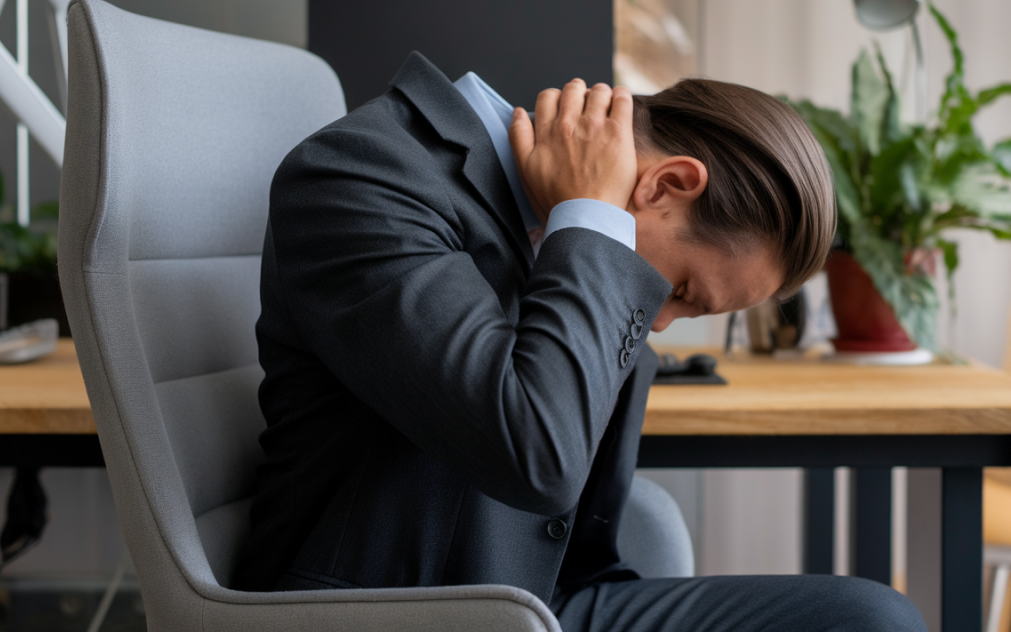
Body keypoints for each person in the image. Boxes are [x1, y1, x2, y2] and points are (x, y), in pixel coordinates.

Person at [234, 51, 925, 631]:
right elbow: (537, 455)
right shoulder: (365, 178)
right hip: (414, 609)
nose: (657, 321)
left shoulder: (536, 217)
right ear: (668, 184)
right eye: (682, 291)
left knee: (869, 619)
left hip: (545, 597)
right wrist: (591, 218)